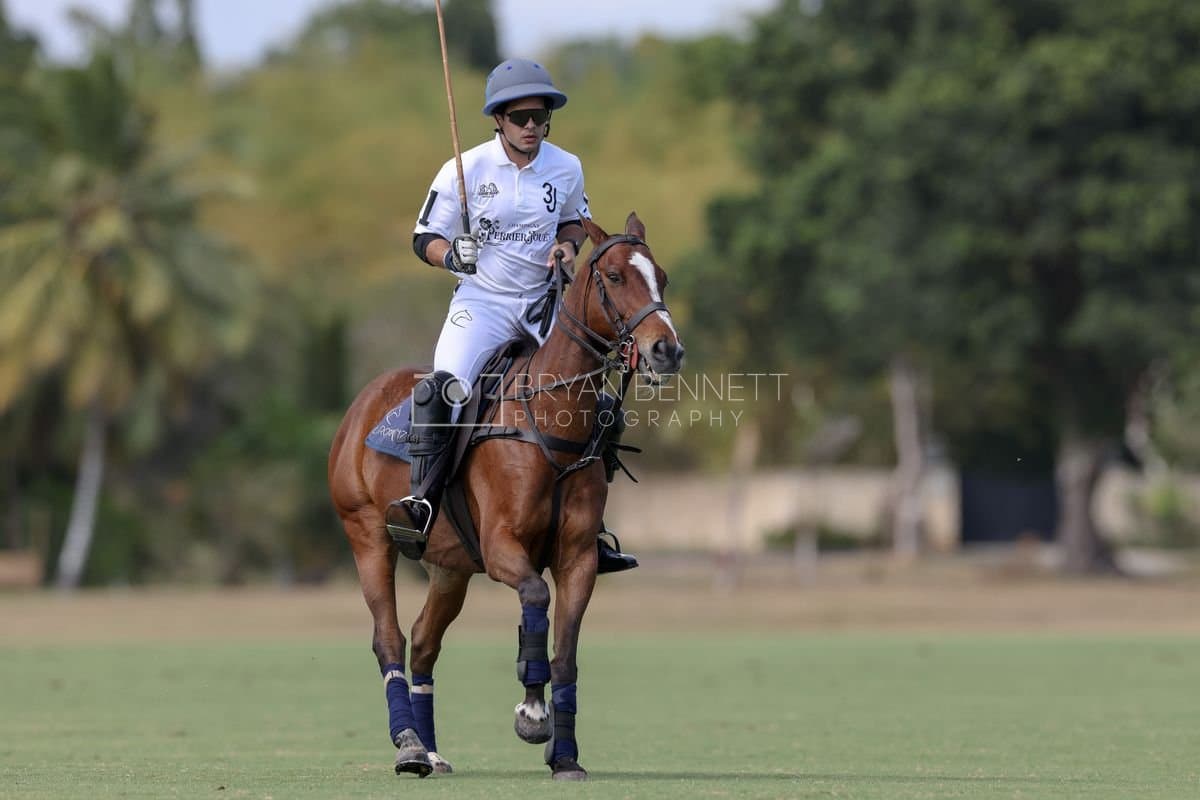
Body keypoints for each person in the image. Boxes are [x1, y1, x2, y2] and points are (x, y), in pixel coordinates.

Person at [392, 58, 638, 574]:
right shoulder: (465, 168)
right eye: (520, 116)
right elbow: (424, 238)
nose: (532, 126)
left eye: (540, 116)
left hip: (545, 305)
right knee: (444, 388)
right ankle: (422, 502)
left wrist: (568, 251)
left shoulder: (566, 167)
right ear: (498, 119)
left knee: (601, 401)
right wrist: (450, 255)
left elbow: (574, 221)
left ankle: (592, 529)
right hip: (482, 305)